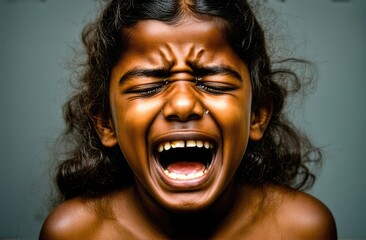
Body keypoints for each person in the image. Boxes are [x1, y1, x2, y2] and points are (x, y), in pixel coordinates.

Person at [39, 0, 337, 239]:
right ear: (105, 123)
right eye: (148, 86)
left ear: (258, 114)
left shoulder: (303, 229)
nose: (182, 104)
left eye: (214, 84)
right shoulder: (75, 233)